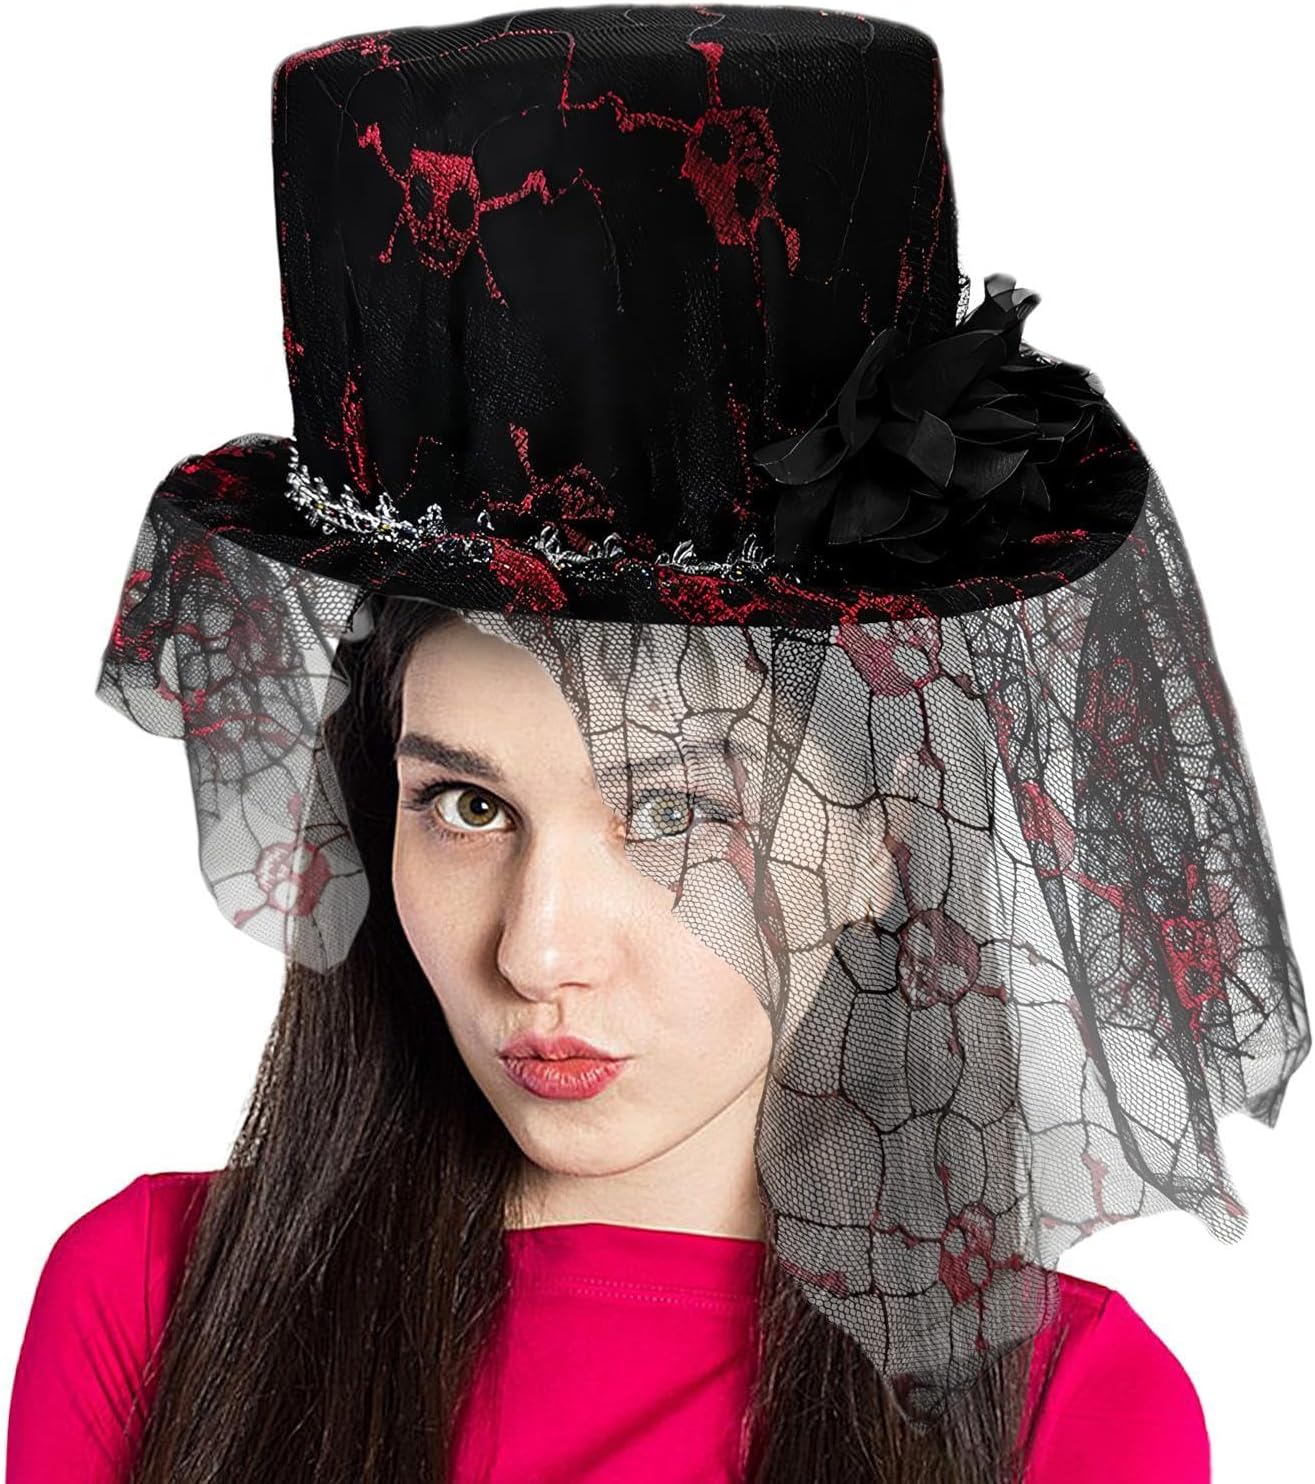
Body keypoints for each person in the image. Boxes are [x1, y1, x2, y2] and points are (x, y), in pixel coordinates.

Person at [7, 6, 1306, 1480]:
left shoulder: (1065, 1419)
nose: (538, 953)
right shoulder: (154, 1306)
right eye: (466, 808)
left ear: (885, 832)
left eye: (677, 812)